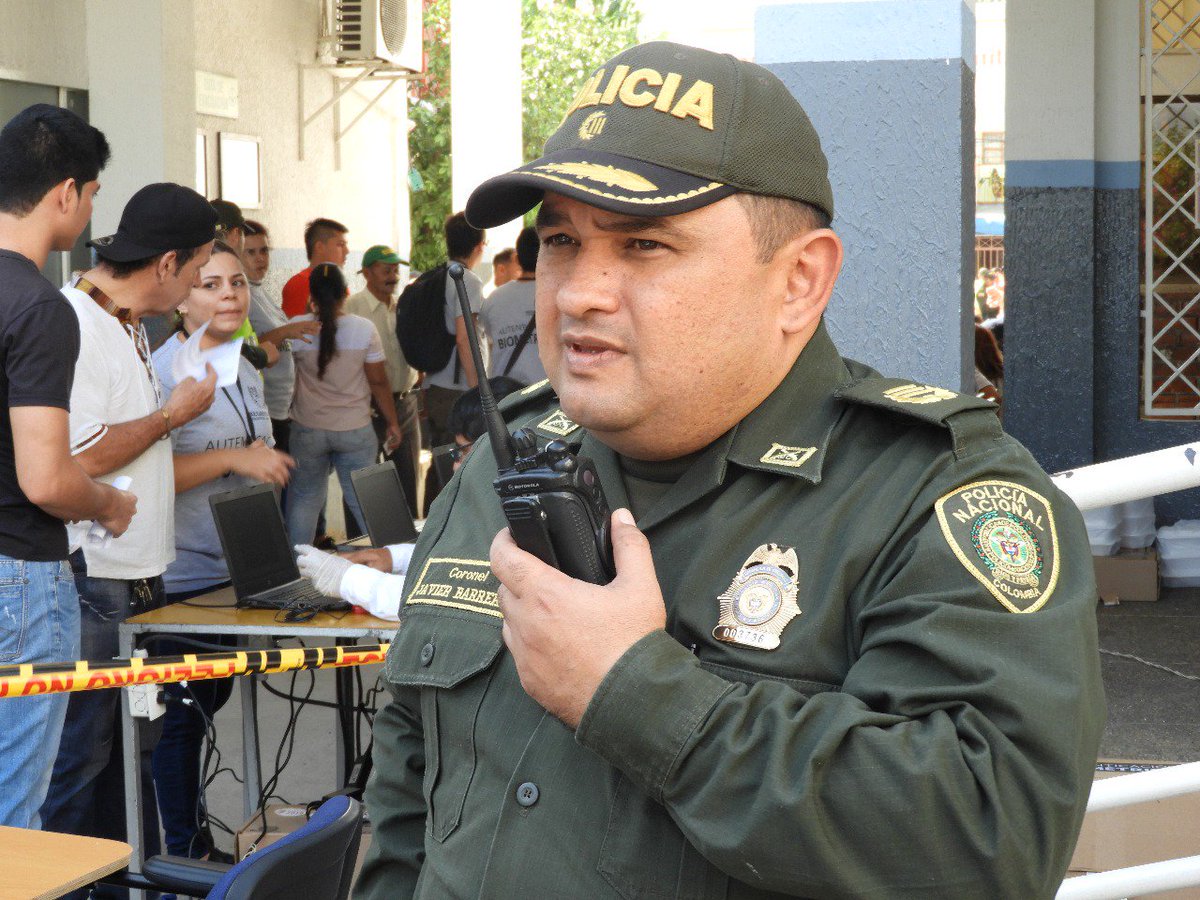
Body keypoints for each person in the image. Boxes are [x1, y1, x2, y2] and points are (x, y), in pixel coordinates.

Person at [356, 41, 1105, 899]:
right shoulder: (504, 463)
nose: (577, 292)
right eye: (560, 239)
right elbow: (408, 800)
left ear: (798, 282)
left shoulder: (931, 498)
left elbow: (989, 842)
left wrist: (634, 692)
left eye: (643, 245)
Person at [41, 183, 218, 876]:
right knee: (77, 762)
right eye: (199, 271)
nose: (198, 289)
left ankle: (120, 884)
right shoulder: (77, 322)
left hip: (129, 577)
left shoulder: (124, 323)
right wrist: (172, 414)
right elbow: (73, 461)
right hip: (93, 575)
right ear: (167, 262)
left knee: (122, 762)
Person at [0, 103, 136, 830]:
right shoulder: (35, 304)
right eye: (90, 196)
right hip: (18, 577)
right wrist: (109, 504)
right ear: (65, 194)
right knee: (11, 820)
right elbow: (47, 479)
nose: (87, 212)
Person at [151, 240, 293, 860]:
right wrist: (235, 459)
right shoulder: (162, 374)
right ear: (181, 299)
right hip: (180, 577)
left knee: (214, 700)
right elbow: (152, 476)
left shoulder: (247, 369)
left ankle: (202, 841)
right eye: (211, 284)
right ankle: (183, 853)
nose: (231, 294)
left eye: (237, 282)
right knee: (179, 724)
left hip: (235, 572)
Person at [296, 377, 524, 619]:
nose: (456, 466)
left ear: (494, 448)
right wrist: (394, 558)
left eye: (462, 452)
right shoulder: (518, 500)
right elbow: (454, 563)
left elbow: (440, 597)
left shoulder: (516, 517)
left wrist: (345, 578)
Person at [285, 263, 402, 545]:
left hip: (308, 429)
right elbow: (378, 382)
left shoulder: (297, 329)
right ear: (345, 293)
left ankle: (297, 572)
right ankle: (387, 561)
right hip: (355, 429)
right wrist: (393, 422)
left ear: (312, 294)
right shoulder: (363, 329)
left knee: (304, 500)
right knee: (364, 500)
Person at [346, 245, 421, 518]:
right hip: (366, 407)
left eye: (395, 270)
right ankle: (362, 547)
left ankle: (410, 547)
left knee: (408, 478)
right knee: (363, 481)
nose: (393, 276)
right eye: (385, 270)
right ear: (366, 273)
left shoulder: (402, 307)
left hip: (405, 401)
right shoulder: (352, 309)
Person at [242, 219, 320, 459]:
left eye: (264, 251)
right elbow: (252, 346)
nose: (260, 258)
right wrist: (288, 330)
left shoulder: (260, 291)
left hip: (282, 408)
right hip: (262, 409)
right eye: (251, 252)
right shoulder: (242, 294)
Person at [422, 212, 485, 449]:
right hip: (456, 390)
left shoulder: (434, 278)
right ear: (479, 246)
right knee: (458, 462)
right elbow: (464, 337)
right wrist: (477, 390)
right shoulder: (466, 280)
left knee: (440, 461)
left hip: (434, 384)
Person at [480, 225, 544, 385]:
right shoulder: (561, 296)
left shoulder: (494, 299)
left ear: (516, 259)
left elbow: (488, 337)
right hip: (549, 395)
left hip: (506, 397)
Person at [281, 217, 349, 318]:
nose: (347, 251)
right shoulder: (300, 284)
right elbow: (295, 330)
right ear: (320, 247)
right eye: (340, 245)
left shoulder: (338, 281)